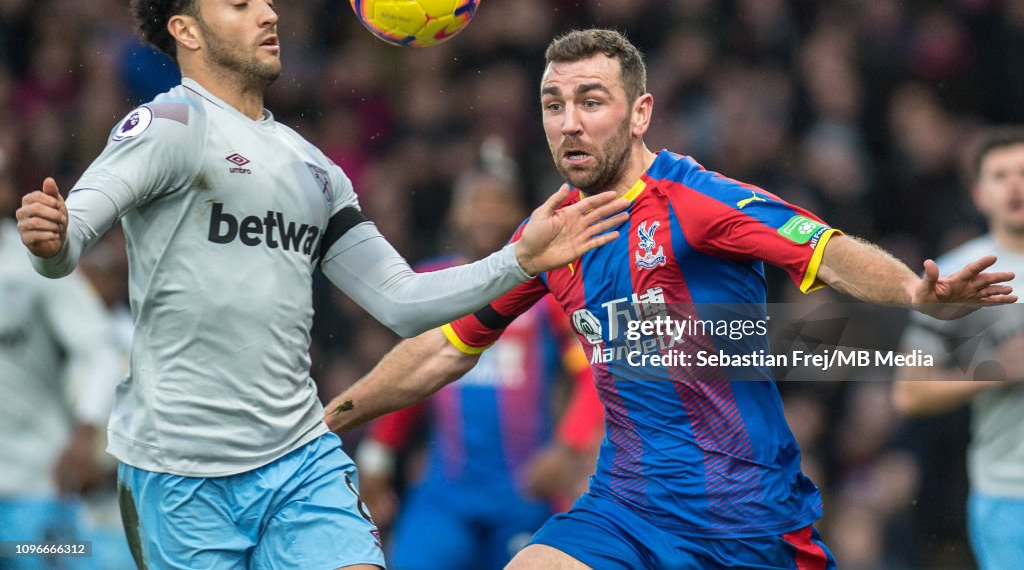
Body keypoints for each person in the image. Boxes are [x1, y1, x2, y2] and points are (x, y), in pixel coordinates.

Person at [13, 0, 628, 570]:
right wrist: (50, 240)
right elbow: (69, 236)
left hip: (299, 458)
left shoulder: (317, 170)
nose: (270, 12)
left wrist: (521, 258)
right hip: (180, 471)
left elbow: (402, 301)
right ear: (187, 31)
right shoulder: (168, 126)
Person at [325, 28, 1016, 570]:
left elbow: (825, 247)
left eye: (591, 101)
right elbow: (443, 351)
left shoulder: (699, 200)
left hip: (746, 521)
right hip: (625, 509)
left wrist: (911, 291)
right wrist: (327, 421)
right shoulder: (548, 236)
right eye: (553, 104)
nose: (568, 122)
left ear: (639, 112)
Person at [355, 167, 604, 570]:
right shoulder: (430, 281)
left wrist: (568, 447)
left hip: (524, 493)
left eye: (499, 203)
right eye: (476, 203)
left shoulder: (549, 288)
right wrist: (378, 458)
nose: (486, 214)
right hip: (445, 496)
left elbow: (593, 373)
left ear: (521, 215)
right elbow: (408, 376)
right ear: (455, 214)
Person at [893, 128, 1024, 570]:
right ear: (978, 194)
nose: (1014, 186)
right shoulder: (953, 277)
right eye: (1000, 175)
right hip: (1008, 493)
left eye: (1023, 172)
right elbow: (910, 392)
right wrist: (992, 371)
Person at [0, 150, 123, 570]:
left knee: (63, 557)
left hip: (33, 485)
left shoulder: (33, 261)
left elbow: (99, 350)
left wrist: (86, 427)